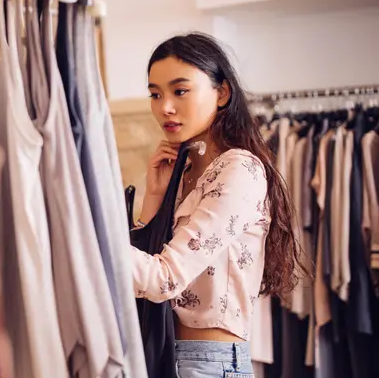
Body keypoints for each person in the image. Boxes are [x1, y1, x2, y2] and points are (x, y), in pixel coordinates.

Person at [131, 32, 305, 377]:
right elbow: (148, 276)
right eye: (155, 94)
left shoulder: (238, 169)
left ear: (222, 92)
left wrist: (86, 237)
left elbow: (164, 279)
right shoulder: (182, 171)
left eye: (180, 91)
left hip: (209, 363)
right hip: (162, 355)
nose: (164, 106)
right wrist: (154, 196)